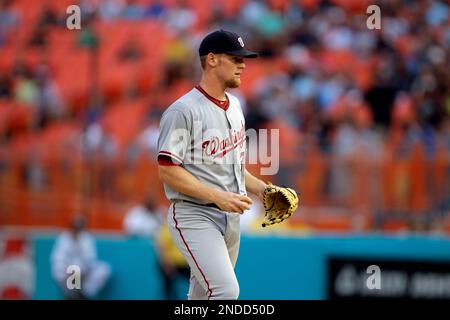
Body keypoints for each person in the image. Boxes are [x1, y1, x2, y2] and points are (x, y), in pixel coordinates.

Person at [157, 29, 268, 300]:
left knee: (201, 296)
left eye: (244, 59)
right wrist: (218, 197)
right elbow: (168, 170)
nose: (242, 64)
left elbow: (232, 167)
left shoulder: (235, 107)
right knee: (225, 291)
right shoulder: (183, 110)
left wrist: (264, 190)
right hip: (194, 214)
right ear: (212, 59)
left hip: (230, 218)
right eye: (235, 58)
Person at [50, 216, 111, 299]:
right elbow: (57, 259)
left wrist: (83, 269)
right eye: (76, 228)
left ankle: (83, 295)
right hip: (66, 272)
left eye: (79, 228)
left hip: (84, 271)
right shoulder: (63, 238)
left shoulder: (86, 238)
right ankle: (71, 295)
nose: (77, 230)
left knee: (103, 269)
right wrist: (69, 270)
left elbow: (91, 259)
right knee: (73, 269)